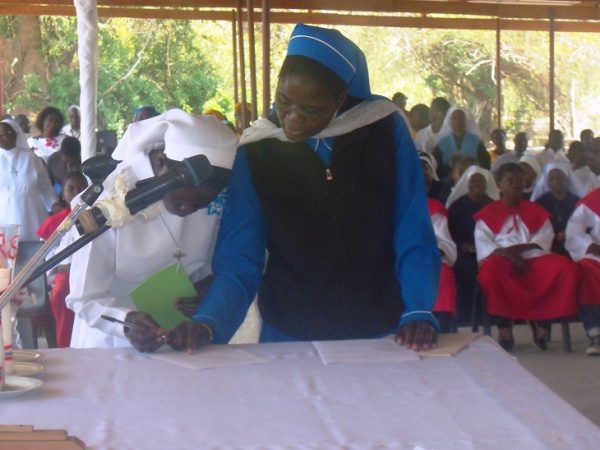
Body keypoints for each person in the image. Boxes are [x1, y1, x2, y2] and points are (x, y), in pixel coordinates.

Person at [168, 24, 441, 353]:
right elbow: (239, 257)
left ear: (339, 98)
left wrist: (418, 309)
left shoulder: (383, 130)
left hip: (383, 327)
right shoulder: (258, 150)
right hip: (290, 332)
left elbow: (412, 226)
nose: (292, 119)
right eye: (284, 101)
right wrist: (209, 323)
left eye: (310, 110)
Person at [66, 109, 237, 350]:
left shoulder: (213, 201)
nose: (188, 208)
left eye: (201, 204)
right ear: (160, 162)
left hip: (178, 340)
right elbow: (84, 299)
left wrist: (206, 287)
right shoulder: (109, 199)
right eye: (182, 198)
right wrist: (125, 323)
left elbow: (206, 262)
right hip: (109, 342)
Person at [474, 162, 580, 351]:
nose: (516, 185)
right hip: (501, 259)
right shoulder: (488, 213)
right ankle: (504, 328)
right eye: (510, 181)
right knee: (491, 272)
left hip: (533, 257)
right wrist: (510, 256)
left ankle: (542, 322)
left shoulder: (536, 211)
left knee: (565, 267)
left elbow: (543, 239)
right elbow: (484, 244)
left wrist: (518, 252)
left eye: (520, 181)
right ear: (500, 184)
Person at [36, 171, 89, 347]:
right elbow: (46, 257)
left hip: (88, 270)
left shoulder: (94, 215)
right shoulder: (55, 222)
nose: (76, 192)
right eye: (71, 188)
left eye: (82, 188)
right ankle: (65, 345)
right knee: (62, 290)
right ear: (63, 193)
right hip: (62, 274)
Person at [447, 166, 499, 326]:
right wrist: (462, 244)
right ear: (467, 184)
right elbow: (449, 232)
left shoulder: (493, 205)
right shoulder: (457, 206)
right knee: (465, 270)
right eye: (473, 181)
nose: (477, 184)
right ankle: (466, 318)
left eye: (480, 181)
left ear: (486, 184)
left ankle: (494, 317)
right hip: (463, 252)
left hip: (490, 251)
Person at [0, 119, 61, 240]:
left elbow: (45, 186)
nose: (2, 137)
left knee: (35, 255)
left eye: (6, 133)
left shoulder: (30, 157)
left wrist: (54, 205)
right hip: (5, 217)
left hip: (32, 214)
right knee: (9, 257)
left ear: (15, 134)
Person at [565, 187, 600, 355]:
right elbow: (574, 230)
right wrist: (588, 244)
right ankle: (596, 332)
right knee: (584, 270)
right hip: (598, 255)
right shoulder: (594, 199)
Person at [532, 161, 585, 255]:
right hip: (548, 244)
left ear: (567, 179)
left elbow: (584, 224)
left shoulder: (577, 201)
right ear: (547, 182)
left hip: (575, 243)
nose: (556, 181)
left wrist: (569, 233)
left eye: (560, 177)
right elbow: (536, 227)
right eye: (552, 178)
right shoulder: (540, 202)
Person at [433, 107, 490, 179]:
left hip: (471, 182)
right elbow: (436, 167)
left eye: (461, 118)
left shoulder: (476, 142)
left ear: (467, 121)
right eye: (454, 118)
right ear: (449, 121)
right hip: (446, 184)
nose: (458, 121)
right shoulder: (442, 143)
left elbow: (485, 165)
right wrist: (450, 164)